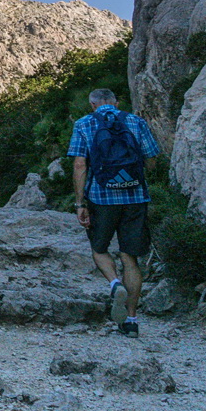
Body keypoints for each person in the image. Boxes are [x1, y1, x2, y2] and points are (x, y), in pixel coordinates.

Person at [66, 88, 160, 337]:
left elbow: (79, 164)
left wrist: (80, 203)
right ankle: (131, 320)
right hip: (135, 197)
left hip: (101, 199)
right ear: (116, 103)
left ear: (92, 104)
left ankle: (114, 283)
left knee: (99, 248)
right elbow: (152, 158)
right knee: (130, 258)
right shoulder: (135, 121)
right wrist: (136, 178)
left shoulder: (84, 124)